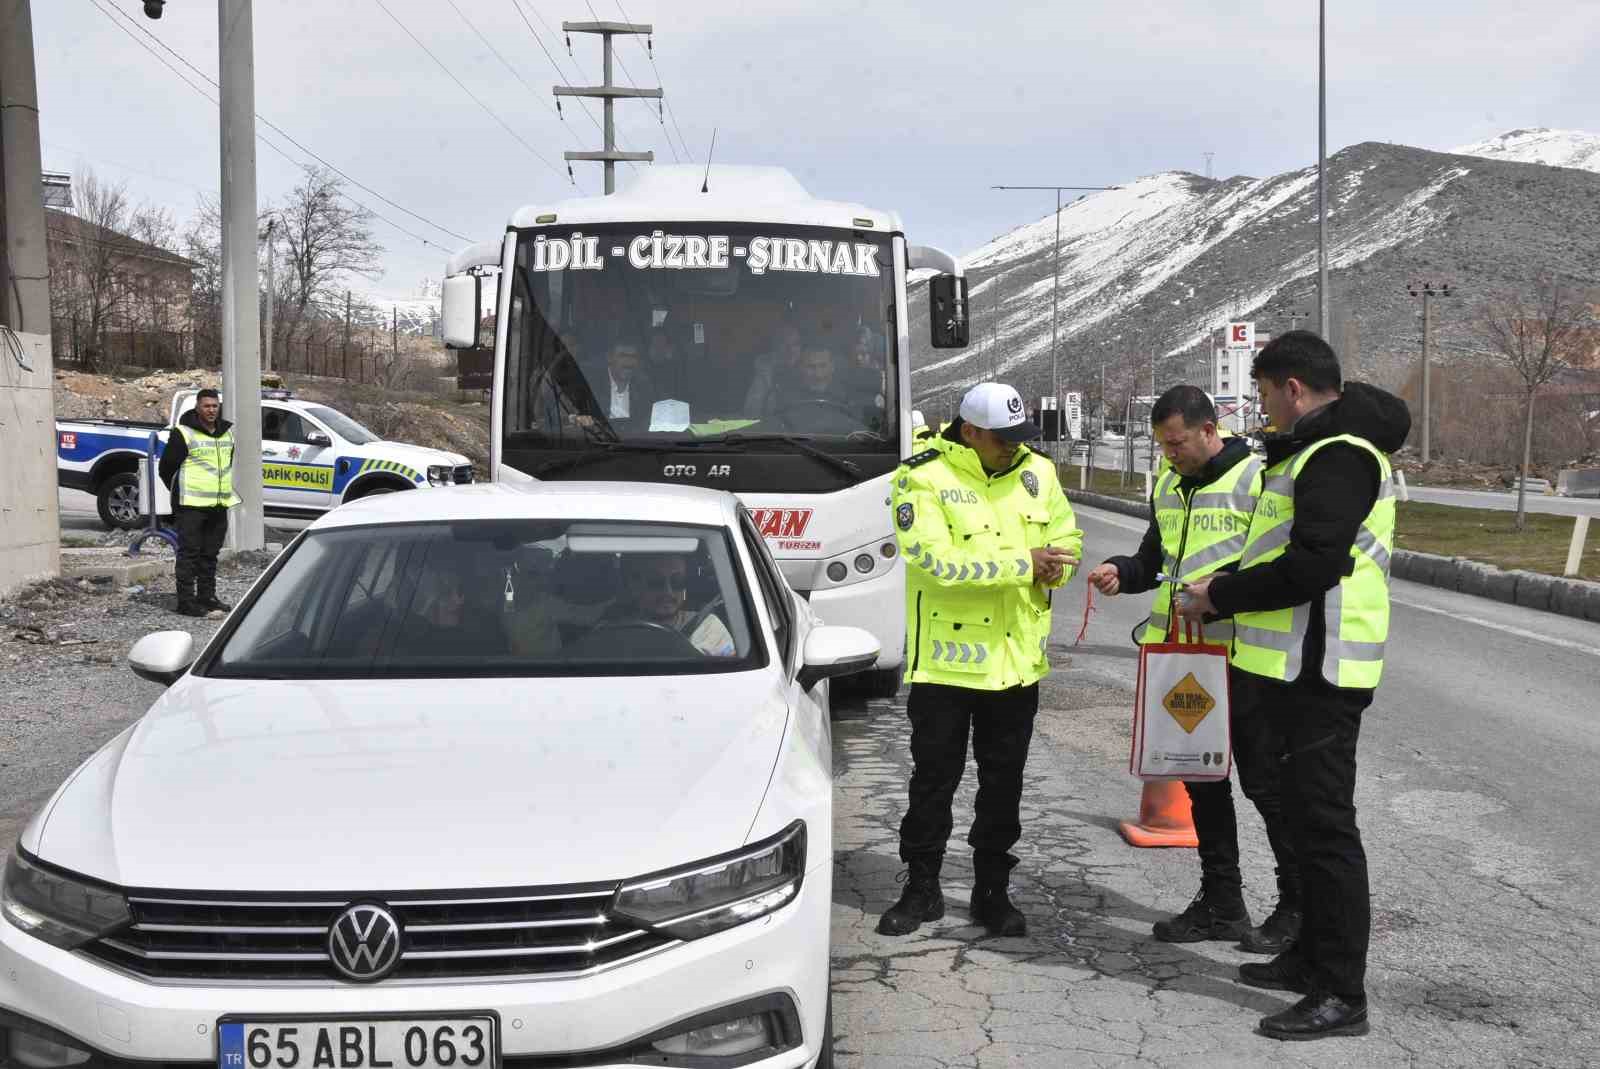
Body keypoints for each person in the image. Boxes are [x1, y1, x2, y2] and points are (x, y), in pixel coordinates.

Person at [1177, 331, 1409, 1041]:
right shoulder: (1309, 452)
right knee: (1306, 826)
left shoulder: (1339, 457)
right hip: (1291, 668)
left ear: (1295, 389)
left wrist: (1221, 595)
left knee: (1328, 829)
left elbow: (1313, 565)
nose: (1262, 406)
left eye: (1264, 392)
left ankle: (1342, 992)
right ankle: (1309, 957)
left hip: (1324, 671)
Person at [1084, 386, 1298, 956]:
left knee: (1265, 784)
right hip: (1184, 658)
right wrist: (1118, 572)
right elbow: (1156, 562)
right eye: (1162, 445)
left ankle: (1296, 905)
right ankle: (1223, 901)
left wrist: (1220, 597)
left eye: (1176, 443)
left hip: (1244, 655)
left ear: (1209, 429)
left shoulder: (1257, 480)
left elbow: (1277, 567)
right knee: (1201, 780)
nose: (1168, 454)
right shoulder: (1168, 484)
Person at [878, 382, 1082, 938]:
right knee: (933, 783)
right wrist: (1025, 563)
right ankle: (921, 887)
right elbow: (938, 562)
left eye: (1021, 439)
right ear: (969, 431)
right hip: (946, 667)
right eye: (1003, 439)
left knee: (1004, 787)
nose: (1014, 448)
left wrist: (1056, 565)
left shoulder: (1038, 473)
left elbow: (1067, 537)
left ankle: (993, 891)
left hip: (1016, 665)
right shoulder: (919, 478)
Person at [158, 388, 238, 618]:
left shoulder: (227, 433)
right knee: (189, 554)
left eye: (214, 406)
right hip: (191, 504)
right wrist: (179, 494)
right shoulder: (183, 433)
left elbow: (226, 465)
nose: (211, 410)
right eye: (206, 406)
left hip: (218, 504)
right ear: (197, 408)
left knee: (210, 554)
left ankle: (207, 597)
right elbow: (166, 468)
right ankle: (186, 601)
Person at [612, 553, 735, 656]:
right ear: (635, 586)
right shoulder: (615, 632)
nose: (668, 592)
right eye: (656, 582)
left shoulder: (707, 627)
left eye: (677, 581)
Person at [742, 321, 804, 416]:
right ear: (775, 346)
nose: (790, 349)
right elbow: (751, 411)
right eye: (784, 343)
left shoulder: (812, 367)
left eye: (795, 344)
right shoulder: (764, 372)